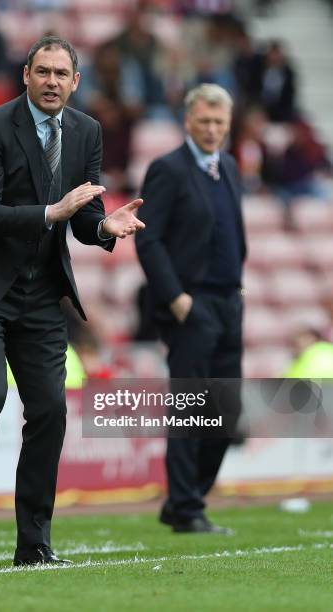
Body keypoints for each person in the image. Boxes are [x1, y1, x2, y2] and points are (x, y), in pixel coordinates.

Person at [0, 36, 144, 567]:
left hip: (42, 291)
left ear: (75, 82)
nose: (51, 82)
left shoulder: (88, 131)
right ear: (26, 74)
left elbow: (84, 216)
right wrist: (53, 212)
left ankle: (35, 543)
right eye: (42, 71)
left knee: (49, 407)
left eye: (61, 74)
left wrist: (104, 228)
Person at [135, 84, 246, 534]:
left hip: (228, 302)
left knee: (228, 412)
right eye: (205, 121)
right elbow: (148, 237)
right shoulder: (168, 169)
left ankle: (186, 499)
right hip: (190, 304)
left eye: (220, 122)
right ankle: (186, 506)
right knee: (190, 408)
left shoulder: (231, 168)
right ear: (188, 121)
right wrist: (177, 298)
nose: (213, 129)